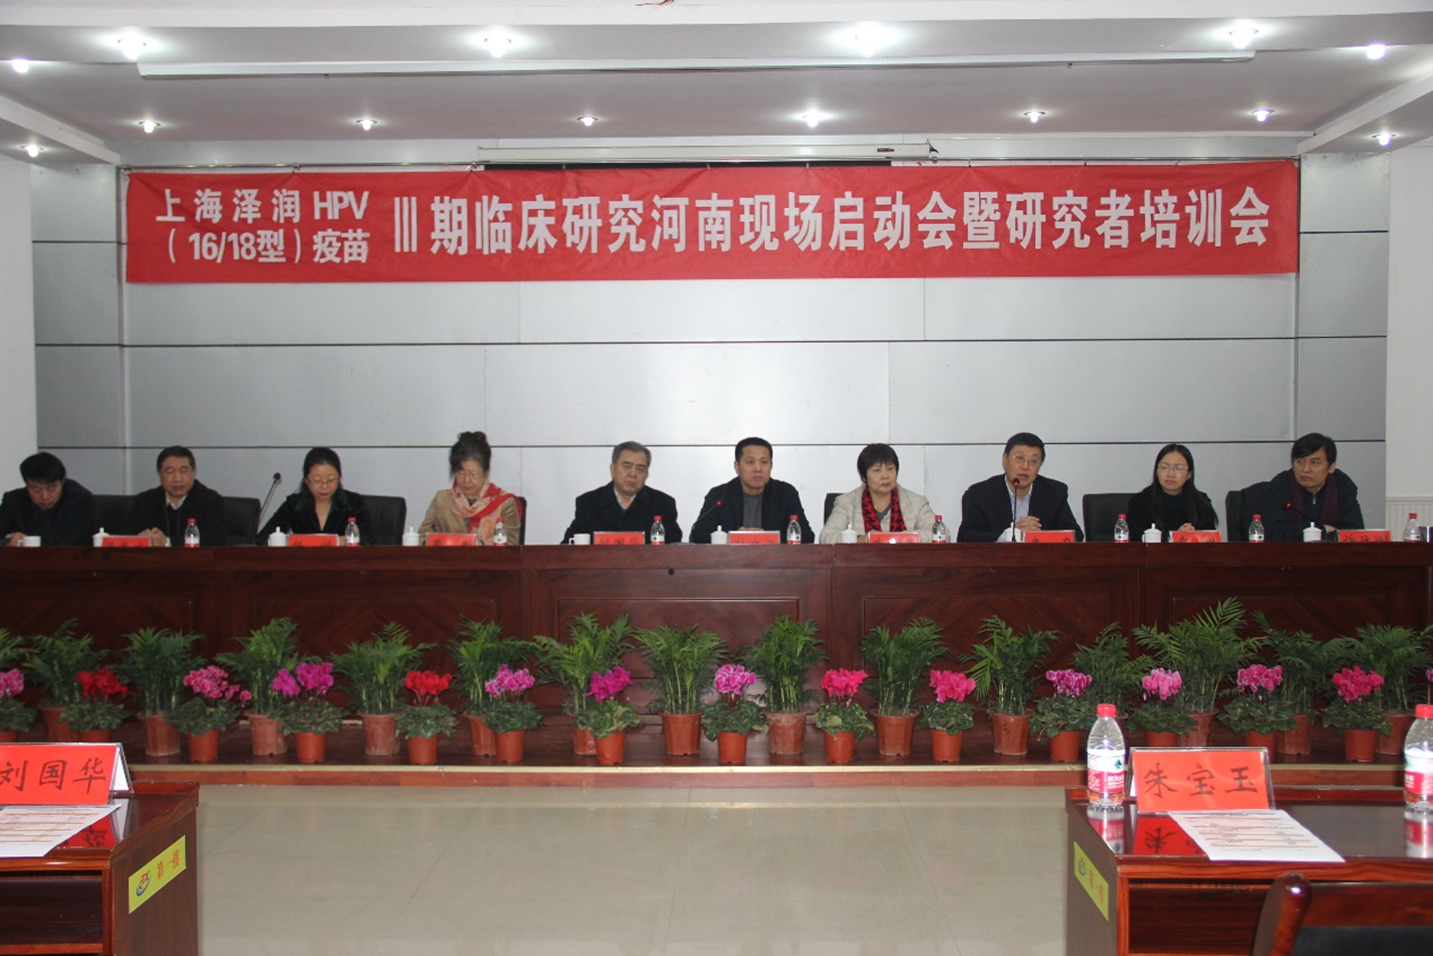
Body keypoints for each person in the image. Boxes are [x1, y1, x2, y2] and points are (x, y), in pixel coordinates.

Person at [956, 432, 1084, 542]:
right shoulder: (980, 493)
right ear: (1005, 459)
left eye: (1033, 461)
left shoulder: (1054, 492)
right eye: (1019, 458)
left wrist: (1037, 536)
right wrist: (1009, 535)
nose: (1025, 466)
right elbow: (966, 537)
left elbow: (1076, 536)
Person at [689, 437, 814, 543]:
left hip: (775, 562)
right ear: (737, 466)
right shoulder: (720, 495)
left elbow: (806, 536)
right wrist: (735, 538)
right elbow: (698, 535)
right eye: (750, 462)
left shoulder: (785, 493)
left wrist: (766, 538)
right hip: (730, 562)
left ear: (771, 465)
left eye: (764, 462)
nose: (758, 468)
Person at [561, 441, 681, 544]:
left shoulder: (662, 504)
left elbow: (673, 549)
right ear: (613, 469)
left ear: (646, 474)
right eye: (627, 466)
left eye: (640, 468)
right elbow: (567, 548)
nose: (633, 474)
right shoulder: (589, 503)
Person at [419, 431, 521, 545]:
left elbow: (511, 549)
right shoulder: (442, 500)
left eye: (473, 474)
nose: (467, 480)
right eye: (461, 473)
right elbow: (422, 537)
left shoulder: (504, 503)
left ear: (486, 472)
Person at [820, 443, 936, 543]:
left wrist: (901, 538)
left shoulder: (916, 503)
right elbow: (827, 536)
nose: (885, 476)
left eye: (890, 469)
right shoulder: (846, 503)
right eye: (877, 471)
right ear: (864, 476)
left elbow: (938, 533)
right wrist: (859, 540)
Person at [1263, 432, 1364, 541]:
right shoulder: (1281, 485)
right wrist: (1323, 530)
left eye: (1314, 463)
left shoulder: (1342, 485)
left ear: (1331, 467)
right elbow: (1274, 532)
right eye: (1300, 461)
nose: (1306, 469)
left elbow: (1353, 533)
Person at [257, 447, 371, 541]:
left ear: (339, 477)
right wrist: (289, 541)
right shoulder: (294, 504)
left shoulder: (354, 502)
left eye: (331, 479)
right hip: (304, 561)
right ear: (306, 480)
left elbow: (369, 539)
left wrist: (342, 541)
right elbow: (262, 538)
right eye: (317, 480)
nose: (324, 486)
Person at [128, 445, 227, 546]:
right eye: (170, 472)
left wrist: (167, 542)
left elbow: (215, 538)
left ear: (194, 471)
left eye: (183, 471)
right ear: (159, 474)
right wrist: (140, 538)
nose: (177, 479)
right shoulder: (144, 502)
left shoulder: (211, 501)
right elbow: (126, 536)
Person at [0, 452, 99, 547]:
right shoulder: (13, 501)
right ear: (27, 485)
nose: (45, 496)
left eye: (52, 489)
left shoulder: (80, 500)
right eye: (36, 490)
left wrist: (25, 541)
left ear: (62, 481)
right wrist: (7, 541)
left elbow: (64, 542)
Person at [1125, 443, 1218, 539]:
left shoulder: (1201, 503)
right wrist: (1174, 537)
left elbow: (1210, 541)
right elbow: (1136, 540)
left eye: (1179, 468)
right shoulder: (1139, 502)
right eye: (1164, 467)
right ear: (1157, 471)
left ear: (1189, 474)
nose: (1170, 474)